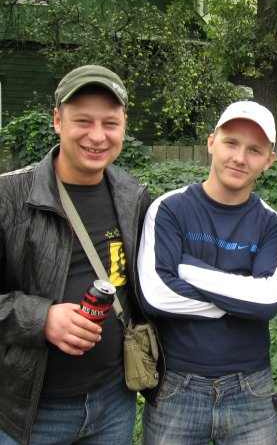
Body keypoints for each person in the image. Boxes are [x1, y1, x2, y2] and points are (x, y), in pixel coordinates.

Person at [0, 65, 158, 445]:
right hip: (32, 412)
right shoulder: (8, 197)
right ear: (58, 120)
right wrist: (42, 319)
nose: (98, 136)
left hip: (114, 403)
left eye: (110, 123)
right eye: (83, 121)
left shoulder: (134, 197)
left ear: (123, 125)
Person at [138, 100, 277, 445]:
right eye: (231, 143)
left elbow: (267, 301)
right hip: (177, 387)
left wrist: (186, 268)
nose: (239, 157)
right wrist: (241, 300)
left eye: (254, 150)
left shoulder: (273, 226)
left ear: (268, 160)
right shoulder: (169, 209)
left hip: (251, 391)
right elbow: (156, 294)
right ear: (211, 143)